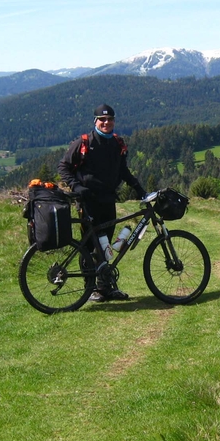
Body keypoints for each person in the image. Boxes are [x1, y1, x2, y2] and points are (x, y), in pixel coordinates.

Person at [58, 103, 147, 302]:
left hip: (108, 201)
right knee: (89, 247)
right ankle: (90, 289)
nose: (106, 122)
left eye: (110, 119)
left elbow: (123, 171)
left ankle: (106, 287)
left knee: (105, 246)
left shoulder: (117, 144)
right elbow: (63, 166)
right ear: (96, 121)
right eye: (102, 119)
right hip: (88, 202)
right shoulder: (84, 142)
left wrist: (139, 189)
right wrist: (76, 187)